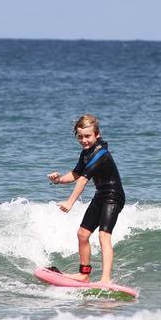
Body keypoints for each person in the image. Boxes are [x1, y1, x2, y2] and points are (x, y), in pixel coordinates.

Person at [47, 114, 126, 285]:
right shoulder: (86, 153)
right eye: (80, 137)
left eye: (88, 136)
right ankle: (84, 274)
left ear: (97, 134)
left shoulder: (101, 154)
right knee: (82, 234)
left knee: (104, 235)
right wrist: (58, 179)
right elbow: (76, 174)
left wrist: (70, 202)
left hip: (113, 196)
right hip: (100, 195)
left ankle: (105, 279)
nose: (84, 140)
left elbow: (83, 179)